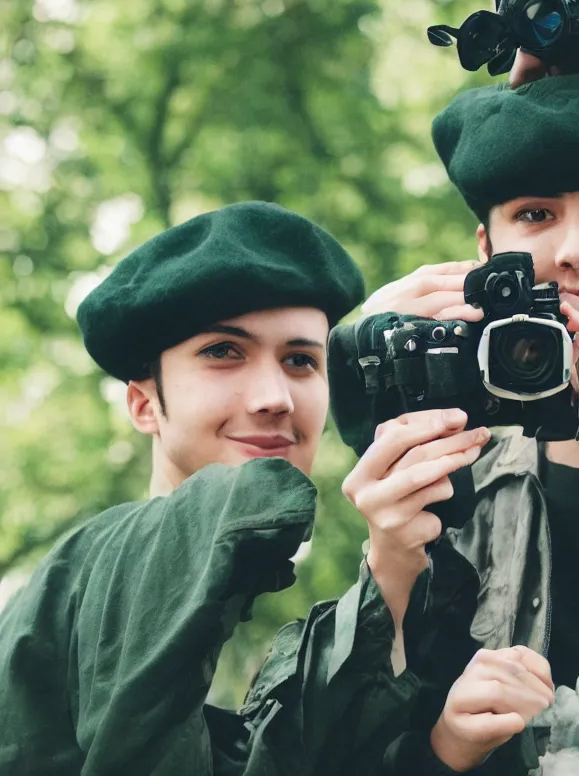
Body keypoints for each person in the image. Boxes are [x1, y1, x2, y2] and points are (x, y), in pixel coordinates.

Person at [251, 0, 579, 776]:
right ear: (485, 256)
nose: (572, 249)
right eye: (534, 214)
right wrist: (392, 570)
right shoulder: (443, 499)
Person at [0, 201, 386, 775]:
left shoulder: (217, 584)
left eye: (302, 360)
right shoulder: (122, 557)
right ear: (143, 404)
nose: (275, 397)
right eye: (223, 352)